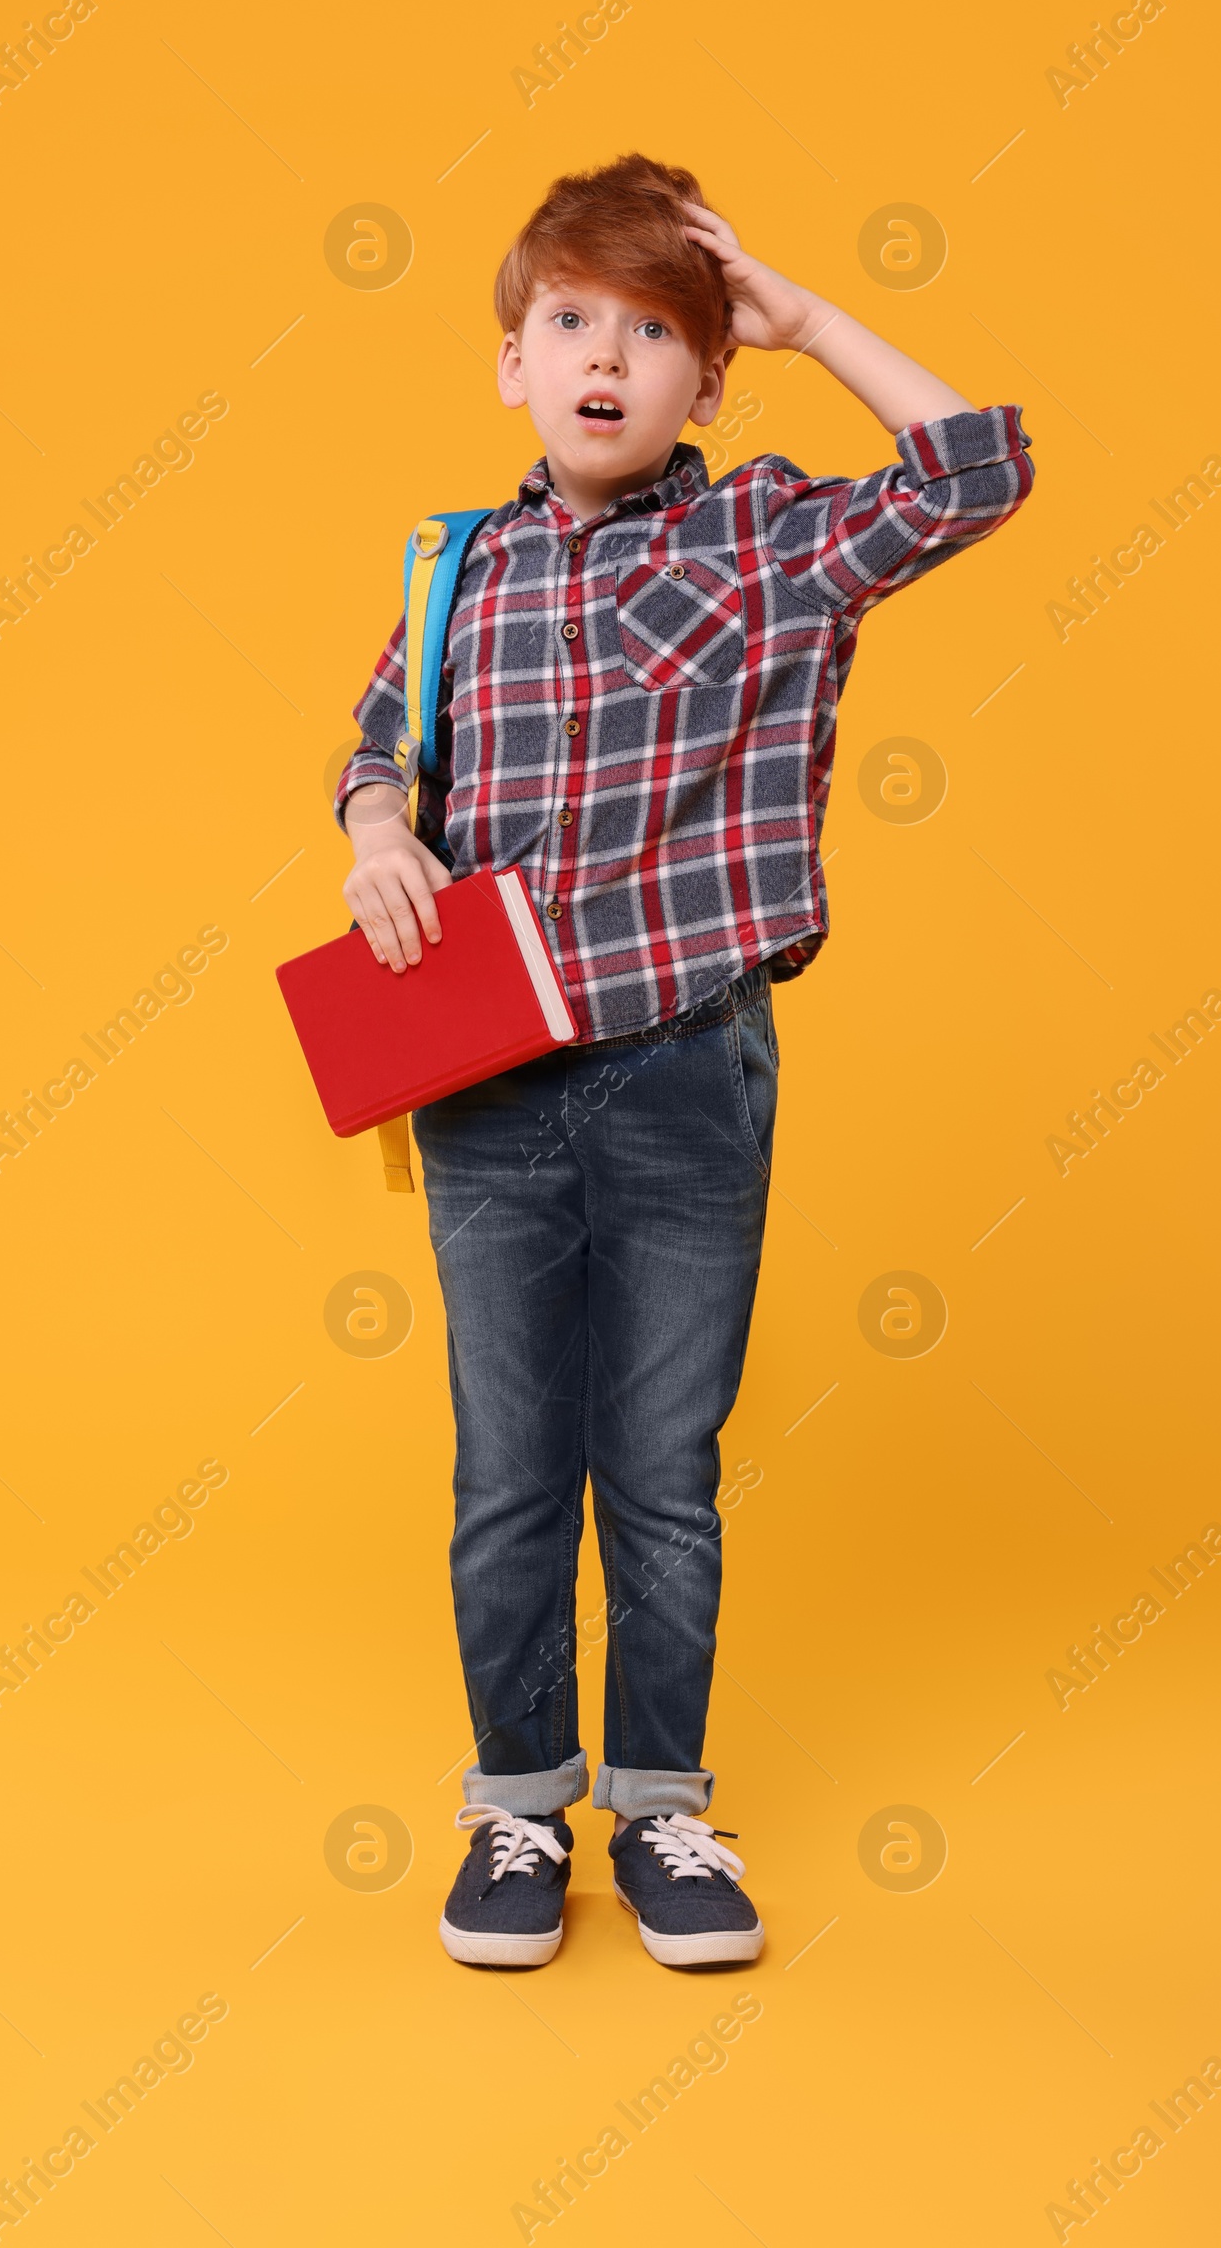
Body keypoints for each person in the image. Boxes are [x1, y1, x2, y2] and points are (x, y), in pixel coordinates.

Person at [335, 153, 1034, 1969]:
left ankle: (659, 1813)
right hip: (492, 1082)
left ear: (706, 384)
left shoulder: (773, 538)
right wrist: (375, 832)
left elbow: (982, 472)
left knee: (658, 1462)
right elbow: (374, 739)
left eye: (659, 331)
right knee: (510, 1468)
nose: (608, 357)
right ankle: (511, 1812)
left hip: (685, 1074)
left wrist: (802, 317)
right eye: (571, 320)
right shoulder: (454, 570)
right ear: (513, 360)